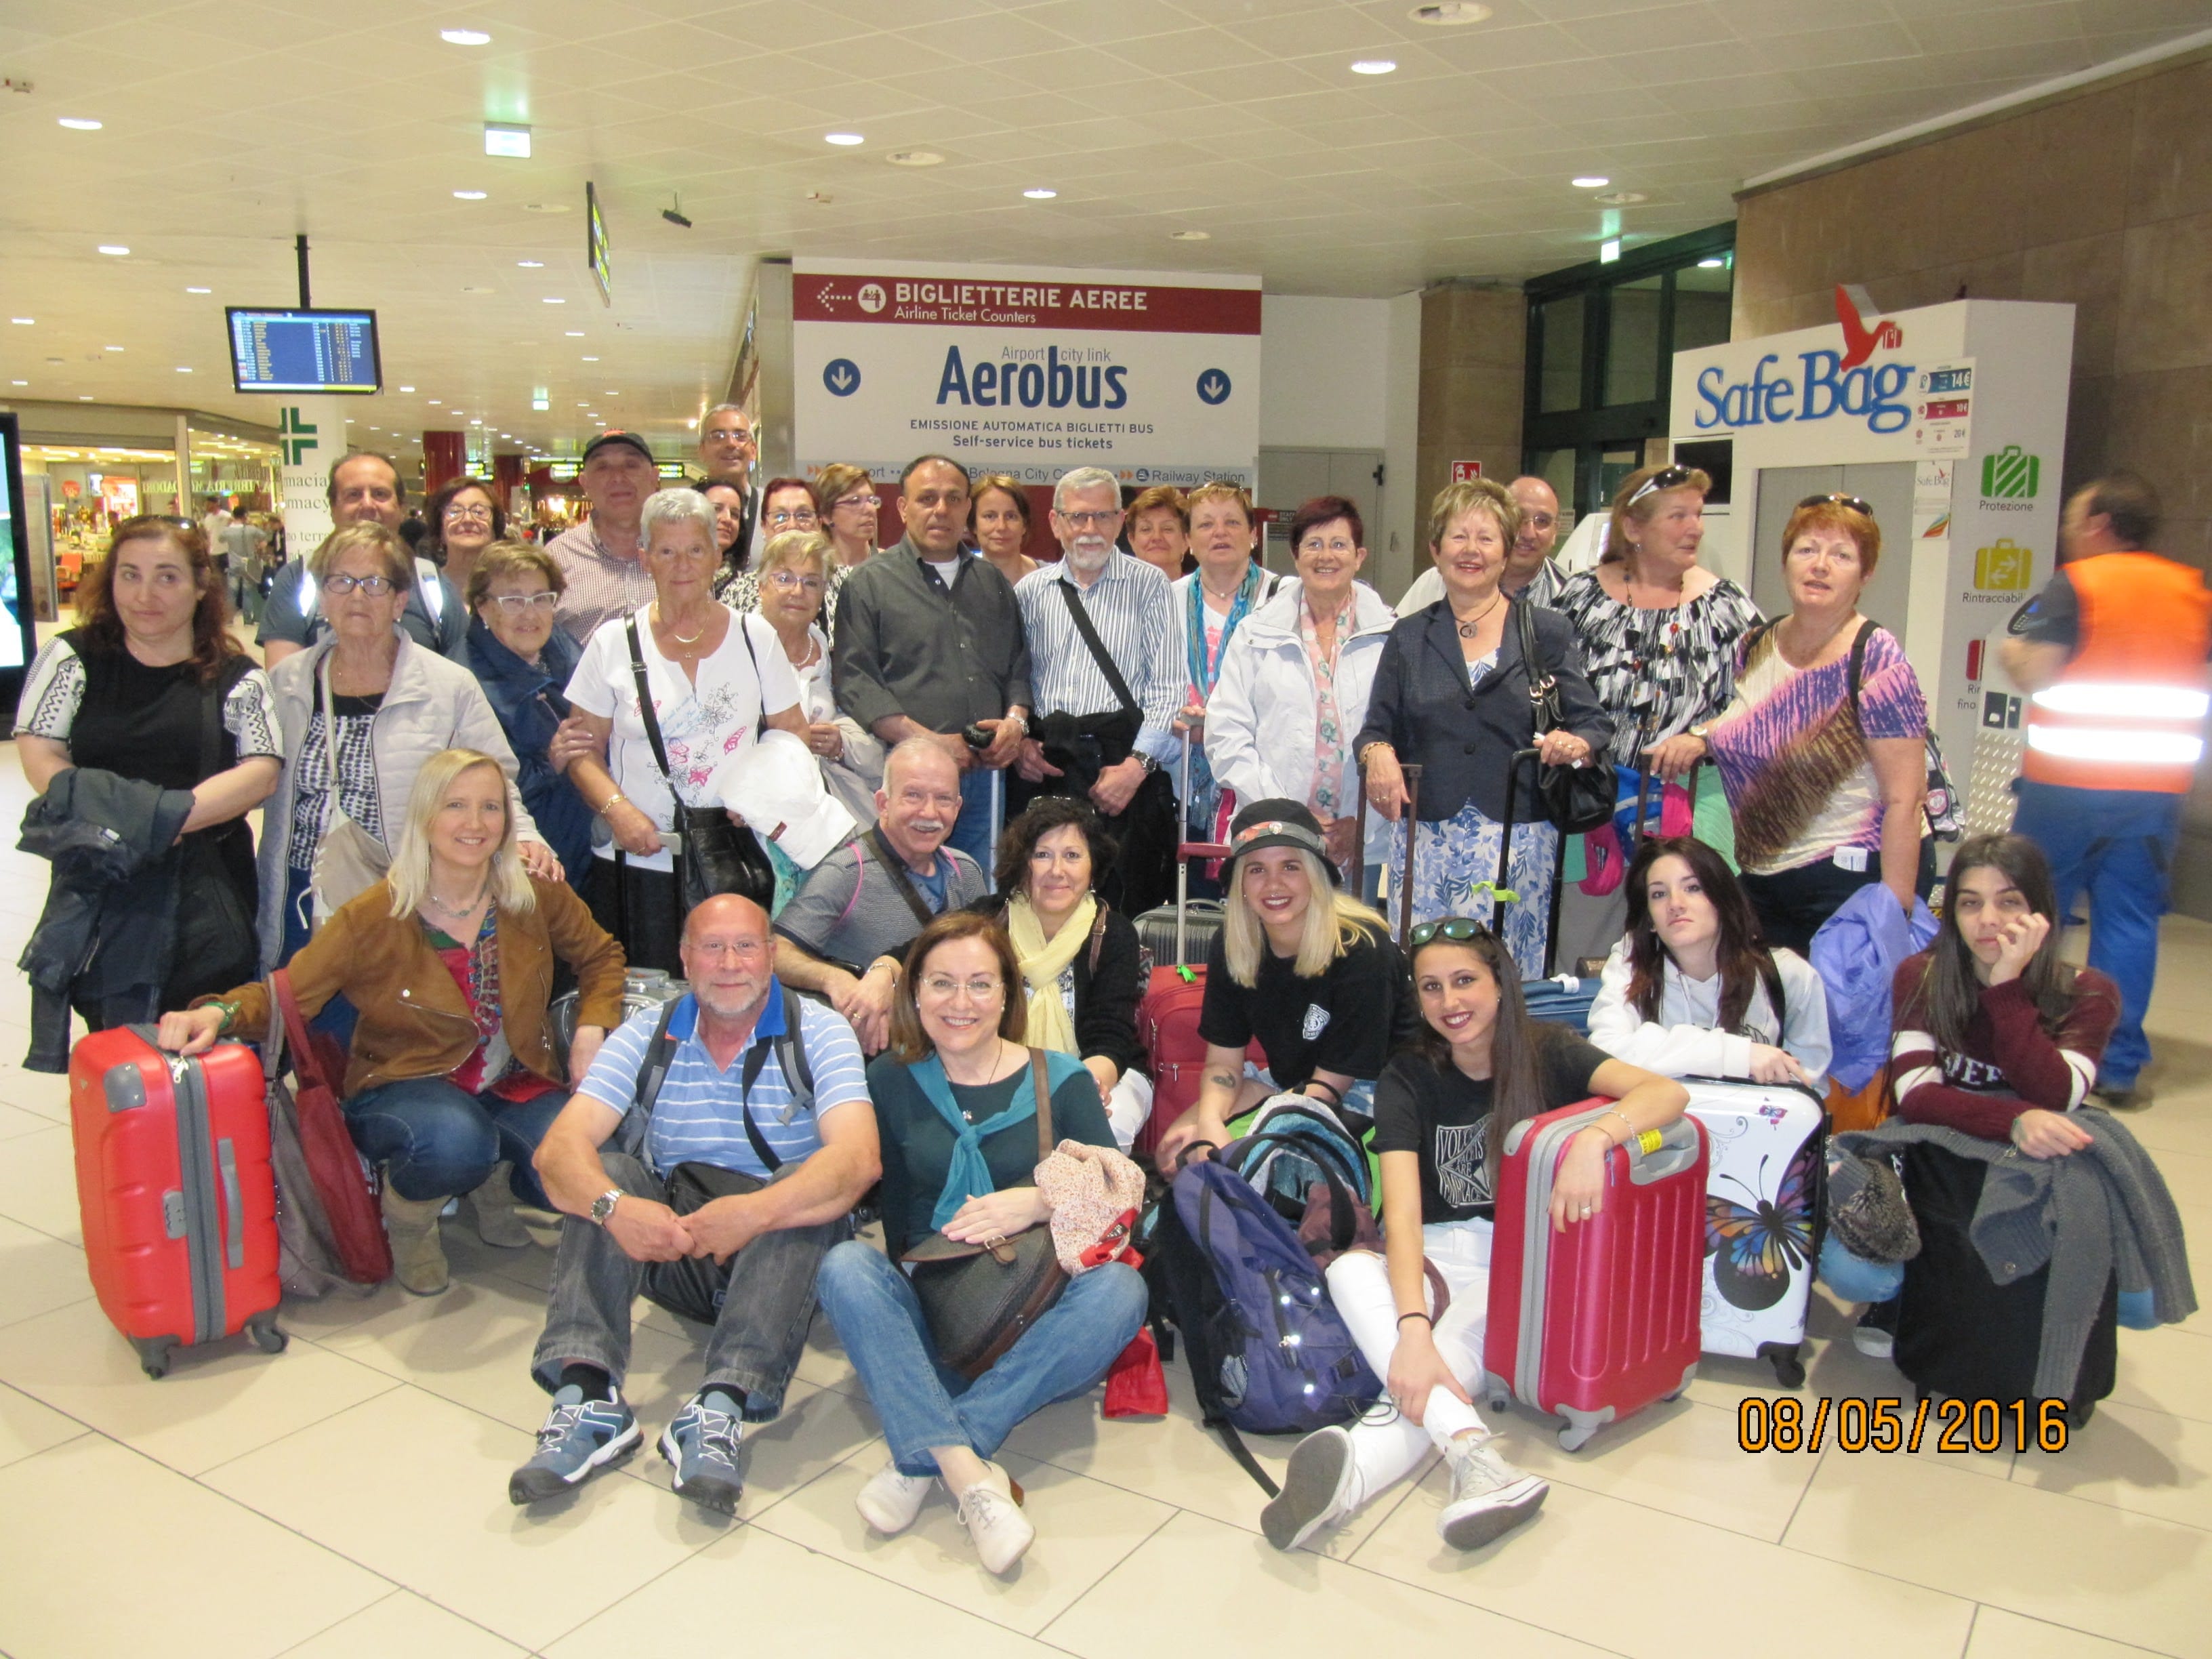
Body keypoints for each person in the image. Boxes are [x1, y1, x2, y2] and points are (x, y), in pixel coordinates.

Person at [1262, 918, 1687, 1553]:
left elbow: (1665, 1093)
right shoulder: (1407, 1075)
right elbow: (1404, 1216)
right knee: (1351, 1272)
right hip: (1434, 1259)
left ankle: (1353, 1479)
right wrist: (1411, 1329)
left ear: (1500, 982)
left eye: (1464, 981)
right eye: (1431, 987)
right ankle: (1476, 1458)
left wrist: (1595, 1138)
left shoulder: (1550, 1051)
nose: (1449, 1002)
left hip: (1520, 1265)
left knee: (1441, 1355)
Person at [159, 747, 627, 1296]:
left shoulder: (533, 892)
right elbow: (288, 996)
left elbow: (601, 956)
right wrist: (218, 1012)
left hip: (511, 1080)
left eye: (491, 807)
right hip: (404, 1085)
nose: (476, 823)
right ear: (425, 817)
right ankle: (409, 1221)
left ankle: (494, 1182)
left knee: (589, 1158)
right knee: (456, 1141)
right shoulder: (373, 915)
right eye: (455, 806)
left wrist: (591, 1029)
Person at [514, 893, 880, 1514]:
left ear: (771, 956)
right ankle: (587, 1395)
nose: (730, 963)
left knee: (810, 1184)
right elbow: (556, 1153)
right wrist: (615, 1209)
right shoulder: (647, 1032)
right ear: (685, 959)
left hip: (780, 1262)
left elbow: (859, 1160)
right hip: (676, 1246)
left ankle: (719, 1408)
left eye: (745, 947)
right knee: (607, 1173)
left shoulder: (820, 1032)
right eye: (712, 948)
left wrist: (755, 1213)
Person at [814, 911, 1145, 1574]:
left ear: (1006, 995)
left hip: (1038, 1318)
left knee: (1123, 1290)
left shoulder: (1063, 1079)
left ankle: (927, 1453)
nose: (960, 1002)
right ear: (914, 993)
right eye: (941, 983)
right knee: (845, 1266)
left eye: (979, 984)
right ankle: (968, 1471)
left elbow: (1121, 1196)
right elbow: (875, 1203)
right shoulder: (889, 1081)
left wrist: (1040, 1201)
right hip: (934, 1311)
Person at [14, 516, 281, 1056]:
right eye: (130, 575)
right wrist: (135, 821)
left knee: (205, 1046)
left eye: (167, 577)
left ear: (201, 585)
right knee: (121, 1051)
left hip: (207, 890)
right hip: (106, 884)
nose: (144, 595)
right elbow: (40, 751)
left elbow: (261, 770)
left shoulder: (237, 676)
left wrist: (166, 820)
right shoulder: (70, 659)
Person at [255, 524, 557, 970]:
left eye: (375, 583)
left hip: (407, 896)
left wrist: (526, 838)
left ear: (400, 601)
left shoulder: (447, 686)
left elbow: (495, 782)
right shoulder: (286, 684)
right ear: (322, 597)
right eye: (341, 581)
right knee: (300, 1009)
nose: (357, 596)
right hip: (300, 898)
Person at [2000, 471, 2209, 1109]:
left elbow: (2036, 672)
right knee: (2130, 921)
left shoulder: (2079, 584)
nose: (2068, 528)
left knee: (2037, 914)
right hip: (2153, 792)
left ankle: (2030, 1046)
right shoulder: (2192, 590)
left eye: (2074, 517)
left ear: (2099, 524)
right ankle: (2116, 1065)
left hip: (2065, 789)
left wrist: (2011, 653)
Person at [1355, 478, 1610, 977]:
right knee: (1429, 973)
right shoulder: (1409, 634)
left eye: (1486, 538)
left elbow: (1592, 723)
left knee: (1509, 974)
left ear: (1505, 551)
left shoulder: (1545, 630)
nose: (1471, 550)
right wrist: (1377, 752)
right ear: (1436, 550)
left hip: (1521, 837)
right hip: (1428, 840)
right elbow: (1375, 728)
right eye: (1458, 536)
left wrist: (1574, 742)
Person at [560, 488, 810, 974]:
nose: (682, 565)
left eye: (696, 550)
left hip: (734, 857)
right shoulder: (613, 643)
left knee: (733, 983)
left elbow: (793, 734)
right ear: (645, 558)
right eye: (667, 551)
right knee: (644, 990)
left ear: (717, 556)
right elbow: (581, 751)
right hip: (640, 858)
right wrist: (618, 812)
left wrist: (763, 795)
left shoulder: (755, 637)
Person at [1689, 495, 1932, 954]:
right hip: (1762, 876)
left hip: (1851, 880)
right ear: (1785, 562)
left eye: (1842, 556)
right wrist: (1701, 737)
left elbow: (1906, 798)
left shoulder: (1876, 657)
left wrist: (1892, 921)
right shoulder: (1756, 644)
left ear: (1865, 575)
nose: (1820, 566)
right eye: (1807, 550)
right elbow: (1758, 723)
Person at [1152, 800, 1418, 1169]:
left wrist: (1245, 1138)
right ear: (1240, 883)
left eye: (1290, 867)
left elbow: (1331, 1087)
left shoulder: (1362, 947)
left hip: (1374, 1095)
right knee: (1175, 1155)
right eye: (1256, 869)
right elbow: (1223, 1063)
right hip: (1292, 1085)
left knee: (1251, 1165)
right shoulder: (1233, 943)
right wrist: (1209, 1125)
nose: (1273, 884)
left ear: (1316, 874)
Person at [832, 455, 1031, 870]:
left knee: (978, 887)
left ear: (967, 508)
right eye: (927, 499)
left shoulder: (992, 581)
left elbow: (1017, 666)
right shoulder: (869, 584)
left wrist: (1016, 722)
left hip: (986, 775)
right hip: (909, 775)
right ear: (903, 508)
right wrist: (931, 743)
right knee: (909, 887)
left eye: (953, 499)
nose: (941, 509)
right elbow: (856, 681)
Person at [1013, 466, 1182, 918]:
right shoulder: (1030, 592)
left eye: (1103, 516)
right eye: (1078, 516)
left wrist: (1136, 767)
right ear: (1055, 522)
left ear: (1121, 521)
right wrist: (1022, 744)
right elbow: (1016, 680)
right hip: (1051, 766)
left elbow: (1168, 688)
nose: (1090, 528)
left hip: (1123, 766)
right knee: (1046, 899)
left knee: (1124, 905)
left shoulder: (1150, 585)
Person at [1206, 494, 1394, 889]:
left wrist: (1362, 824)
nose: (1326, 556)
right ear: (1295, 556)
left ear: (1360, 556)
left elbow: (1403, 741)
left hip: (1360, 842)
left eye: (1339, 544)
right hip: (1272, 837)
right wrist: (1287, 818)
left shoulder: (1391, 636)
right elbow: (1226, 735)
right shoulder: (1255, 634)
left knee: (1353, 930)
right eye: (1314, 544)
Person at [1553, 463, 1759, 796]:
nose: (1696, 529)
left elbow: (1763, 699)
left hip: (1686, 800)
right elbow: (1540, 687)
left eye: (1698, 515)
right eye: (1678, 516)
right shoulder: (1581, 597)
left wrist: (1703, 737)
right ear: (1633, 528)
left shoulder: (1725, 606)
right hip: (1583, 798)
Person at [773, 738, 990, 1053]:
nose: (929, 812)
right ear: (883, 803)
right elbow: (775, 953)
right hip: (871, 1058)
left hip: (954, 1051)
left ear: (957, 808)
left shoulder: (966, 872)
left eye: (943, 799)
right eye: (913, 795)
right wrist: (834, 980)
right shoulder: (848, 871)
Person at [968, 798, 1151, 1147]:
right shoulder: (989, 921)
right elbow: (921, 954)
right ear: (1022, 863)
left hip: (1101, 1072)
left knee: (1097, 1137)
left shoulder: (1113, 933)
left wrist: (1078, 1092)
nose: (1057, 870)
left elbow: (1110, 1036)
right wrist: (884, 973)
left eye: (1072, 855)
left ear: (1093, 866)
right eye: (1042, 855)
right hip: (998, 1072)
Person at [1587, 834, 1831, 1086]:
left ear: (1722, 900)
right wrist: (1734, 1055)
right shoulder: (1631, 962)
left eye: (1693, 888)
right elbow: (1604, 1052)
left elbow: (1808, 1084)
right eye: (1659, 894)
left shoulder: (1787, 974)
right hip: (1665, 1111)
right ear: (1649, 919)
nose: (1675, 904)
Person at [464, 540, 593, 888]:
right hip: (519, 863)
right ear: (482, 607)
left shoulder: (563, 647)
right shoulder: (465, 681)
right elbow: (474, 790)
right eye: (513, 601)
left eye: (541, 598)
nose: (530, 614)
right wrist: (549, 764)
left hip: (585, 849)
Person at [260, 452, 468, 666]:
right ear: (333, 508)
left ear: (401, 508)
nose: (368, 505)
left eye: (380, 494)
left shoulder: (432, 583)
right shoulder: (297, 579)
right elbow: (283, 679)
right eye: (353, 495)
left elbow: (461, 676)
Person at [1170, 480, 1279, 859]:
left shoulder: (1285, 598)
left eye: (1232, 522)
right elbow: (1150, 684)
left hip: (1263, 780)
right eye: (1206, 524)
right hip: (1184, 783)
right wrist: (1173, 718)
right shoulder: (1166, 600)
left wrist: (1222, 725)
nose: (1220, 532)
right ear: (1188, 539)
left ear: (1253, 535)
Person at [750, 529, 882, 827]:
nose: (798, 591)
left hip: (827, 810)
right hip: (754, 813)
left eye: (811, 582)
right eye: (784, 578)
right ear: (761, 586)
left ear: (823, 594)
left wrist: (840, 744)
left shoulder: (834, 656)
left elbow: (873, 747)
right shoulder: (738, 649)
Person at [546, 431, 662, 647]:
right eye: (602, 467)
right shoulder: (556, 557)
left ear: (654, 476)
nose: (618, 478)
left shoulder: (682, 551)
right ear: (585, 482)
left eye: (631, 465)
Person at [1397, 475, 1565, 615]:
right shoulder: (1434, 582)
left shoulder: (1572, 598)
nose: (1529, 533)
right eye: (1520, 517)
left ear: (1555, 532)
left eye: (1542, 521)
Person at [715, 476, 819, 611]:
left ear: (819, 524)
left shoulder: (843, 584)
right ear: (764, 527)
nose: (792, 525)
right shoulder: (737, 591)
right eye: (780, 516)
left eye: (803, 515)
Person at [697, 403, 762, 570]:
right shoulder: (684, 507)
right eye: (718, 436)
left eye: (740, 436)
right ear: (702, 450)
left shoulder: (772, 505)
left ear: (754, 451)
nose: (731, 444)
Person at [424, 475, 506, 601]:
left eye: (478, 511)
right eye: (455, 512)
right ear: (439, 529)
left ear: (495, 528)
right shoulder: (422, 589)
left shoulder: (515, 589)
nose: (468, 519)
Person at [815, 462, 881, 580]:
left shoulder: (890, 568)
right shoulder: (812, 570)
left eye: (871, 500)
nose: (870, 509)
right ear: (826, 516)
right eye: (855, 501)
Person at [970, 473, 1038, 586]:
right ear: (973, 525)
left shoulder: (1054, 582)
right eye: (990, 516)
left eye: (1011, 516)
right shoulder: (955, 583)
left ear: (1024, 525)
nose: (1001, 527)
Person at [1127, 483, 1192, 580]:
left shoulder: (1200, 590)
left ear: (1186, 540)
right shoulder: (1112, 590)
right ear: (1132, 540)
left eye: (1167, 529)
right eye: (1146, 529)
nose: (1157, 537)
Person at [699, 475, 751, 594]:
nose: (727, 519)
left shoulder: (748, 587)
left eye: (734, 514)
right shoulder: (671, 576)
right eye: (716, 509)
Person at [220, 510, 270, 623]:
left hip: (234, 564)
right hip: (249, 564)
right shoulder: (251, 529)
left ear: (233, 516)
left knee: (232, 592)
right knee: (247, 592)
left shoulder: (228, 531)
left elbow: (220, 539)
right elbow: (264, 536)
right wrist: (259, 546)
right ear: (244, 517)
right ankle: (247, 619)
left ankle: (229, 619)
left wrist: (228, 525)